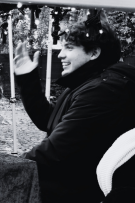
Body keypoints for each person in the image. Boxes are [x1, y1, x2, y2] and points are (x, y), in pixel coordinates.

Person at [14, 11, 135, 202]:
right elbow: (49, 120)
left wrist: (10, 167)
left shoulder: (104, 89)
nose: (60, 55)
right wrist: (28, 79)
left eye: (68, 48)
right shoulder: (88, 81)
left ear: (94, 53)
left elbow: (55, 150)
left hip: (80, 194)